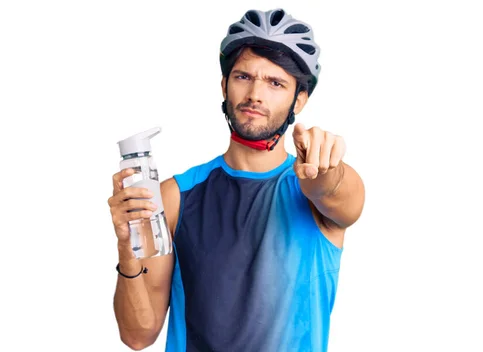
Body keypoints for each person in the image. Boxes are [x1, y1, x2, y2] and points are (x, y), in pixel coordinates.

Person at [108, 8, 365, 352]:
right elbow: (138, 335)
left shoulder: (314, 191)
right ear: (225, 86)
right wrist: (127, 247)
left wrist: (326, 167)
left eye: (276, 83)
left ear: (299, 100)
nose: (256, 94)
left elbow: (332, 190)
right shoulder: (174, 197)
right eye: (244, 77)